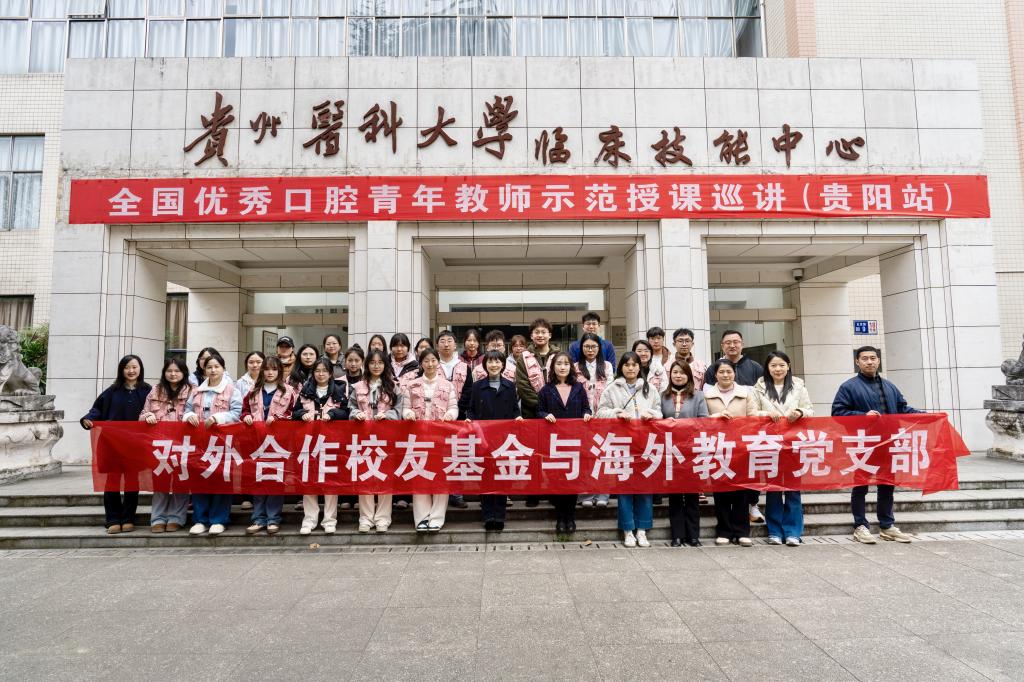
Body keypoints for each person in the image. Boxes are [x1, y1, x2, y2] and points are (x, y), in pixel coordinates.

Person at [832, 346, 919, 544]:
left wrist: (926, 415)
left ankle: (887, 526)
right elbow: (837, 413)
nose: (869, 362)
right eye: (865, 359)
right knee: (860, 486)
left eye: (873, 358)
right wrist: (863, 416)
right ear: (857, 362)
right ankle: (860, 526)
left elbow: (903, 409)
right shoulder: (848, 387)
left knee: (887, 486)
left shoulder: (890, 386)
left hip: (889, 443)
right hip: (864, 445)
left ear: (879, 361)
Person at [596, 352, 662, 548]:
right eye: (627, 365)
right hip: (621, 444)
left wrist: (651, 414)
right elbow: (600, 413)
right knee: (624, 489)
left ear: (639, 367)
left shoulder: (650, 388)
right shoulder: (611, 388)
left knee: (645, 488)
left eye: (634, 365)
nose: (631, 368)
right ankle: (627, 530)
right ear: (621, 367)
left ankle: (642, 530)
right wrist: (617, 413)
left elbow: (660, 412)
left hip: (645, 444)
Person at [81, 354, 151, 535]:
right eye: (127, 367)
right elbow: (96, 410)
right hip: (111, 443)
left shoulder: (148, 391)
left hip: (135, 445)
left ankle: (128, 518)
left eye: (134, 367)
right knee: (112, 481)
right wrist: (88, 419)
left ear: (140, 369)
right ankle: (112, 518)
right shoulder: (111, 391)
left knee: (132, 482)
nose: (131, 371)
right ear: (121, 370)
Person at [753, 351, 813, 546]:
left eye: (781, 365)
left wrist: (800, 412)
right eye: (773, 365)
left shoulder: (799, 386)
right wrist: (766, 414)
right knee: (773, 490)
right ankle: (775, 531)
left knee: (793, 489)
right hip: (769, 443)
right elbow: (751, 412)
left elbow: (810, 410)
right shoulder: (759, 387)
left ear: (788, 366)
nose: (777, 369)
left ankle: (793, 532)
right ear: (767, 368)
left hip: (793, 443)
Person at [706, 330, 765, 524]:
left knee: (749, 471)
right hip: (719, 438)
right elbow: (706, 399)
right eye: (728, 342)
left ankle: (753, 505)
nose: (732, 345)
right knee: (723, 475)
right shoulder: (712, 369)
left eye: (736, 342)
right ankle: (726, 518)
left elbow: (760, 398)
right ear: (722, 345)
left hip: (745, 435)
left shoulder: (755, 367)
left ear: (742, 343)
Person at [184, 352, 242, 536]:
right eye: (209, 367)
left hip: (223, 442)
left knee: (221, 479)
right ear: (204, 369)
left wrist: (218, 417)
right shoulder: (196, 391)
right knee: (200, 478)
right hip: (200, 442)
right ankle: (200, 519)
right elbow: (186, 409)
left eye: (217, 366)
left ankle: (219, 519)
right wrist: (189, 416)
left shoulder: (232, 390)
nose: (213, 370)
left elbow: (237, 413)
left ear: (223, 369)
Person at [466, 349, 523, 531]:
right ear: (485, 365)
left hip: (504, 439)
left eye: (497, 361)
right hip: (483, 438)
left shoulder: (509, 386)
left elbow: (515, 410)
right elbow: (471, 410)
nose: (494, 365)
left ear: (503, 365)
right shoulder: (477, 386)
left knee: (502, 476)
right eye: (490, 361)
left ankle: (500, 516)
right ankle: (488, 515)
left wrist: (518, 417)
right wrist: (470, 420)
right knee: (485, 476)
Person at [402, 348, 458, 532]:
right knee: (419, 476)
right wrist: (408, 413)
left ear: (438, 362)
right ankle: (422, 518)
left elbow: (453, 407)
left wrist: (450, 415)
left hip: (440, 437)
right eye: (426, 361)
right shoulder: (412, 385)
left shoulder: (447, 385)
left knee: (440, 477)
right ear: (421, 363)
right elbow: (405, 407)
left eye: (433, 360)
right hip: (418, 437)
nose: (430, 364)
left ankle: (436, 518)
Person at [537, 352, 592, 534]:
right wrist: (545, 415)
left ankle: (571, 517)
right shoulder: (546, 389)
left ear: (571, 367)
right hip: (554, 442)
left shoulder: (578, 388)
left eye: (566, 364)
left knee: (572, 480)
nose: (562, 367)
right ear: (553, 367)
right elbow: (539, 411)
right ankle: (560, 518)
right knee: (558, 480)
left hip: (574, 442)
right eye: (559, 364)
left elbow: (586, 408)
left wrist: (586, 414)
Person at [349, 349, 404, 533]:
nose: (376, 366)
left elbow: (399, 410)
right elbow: (350, 407)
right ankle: (365, 518)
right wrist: (356, 414)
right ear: (367, 365)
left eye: (380, 363)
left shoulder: (394, 386)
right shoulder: (358, 386)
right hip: (363, 438)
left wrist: (387, 415)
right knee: (365, 477)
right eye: (372, 362)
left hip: (386, 439)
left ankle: (382, 518)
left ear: (385, 365)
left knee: (384, 478)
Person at [703, 361, 757, 547]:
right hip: (717, 447)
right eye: (721, 372)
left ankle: (742, 532)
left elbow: (753, 418)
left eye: (729, 371)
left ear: (734, 373)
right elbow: (701, 420)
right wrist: (715, 418)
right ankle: (724, 531)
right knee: (721, 493)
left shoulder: (745, 393)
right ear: (715, 375)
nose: (725, 375)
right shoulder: (707, 395)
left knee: (742, 492)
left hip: (741, 448)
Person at [293, 358, 349, 534]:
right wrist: (302, 414)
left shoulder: (339, 390)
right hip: (309, 442)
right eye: (317, 371)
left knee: (330, 481)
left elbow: (346, 412)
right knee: (309, 480)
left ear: (330, 373)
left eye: (324, 370)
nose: (321, 374)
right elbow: (294, 412)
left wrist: (333, 413)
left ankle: (329, 520)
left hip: (331, 442)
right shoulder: (305, 391)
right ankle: (309, 519)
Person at [241, 356, 296, 535]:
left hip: (278, 443)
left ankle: (273, 519)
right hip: (257, 442)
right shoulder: (253, 391)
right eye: (267, 369)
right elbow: (244, 411)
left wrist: (279, 418)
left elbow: (293, 414)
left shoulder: (289, 391)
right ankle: (258, 519)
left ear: (280, 371)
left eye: (274, 369)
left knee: (275, 481)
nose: (270, 372)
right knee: (258, 481)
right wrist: (246, 417)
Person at [139, 357, 192, 534]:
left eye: (177, 371)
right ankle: (158, 518)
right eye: (169, 371)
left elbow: (197, 413)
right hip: (159, 444)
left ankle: (177, 518)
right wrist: (147, 416)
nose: (173, 374)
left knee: (180, 481)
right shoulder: (155, 390)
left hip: (183, 444)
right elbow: (143, 413)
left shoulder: (192, 391)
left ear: (183, 373)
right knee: (160, 482)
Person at [661, 361, 709, 547]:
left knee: (692, 496)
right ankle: (677, 535)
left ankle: (693, 535)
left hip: (692, 451)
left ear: (689, 375)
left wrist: (685, 426)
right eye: (675, 372)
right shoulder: (663, 396)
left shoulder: (698, 396)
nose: (678, 376)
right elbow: (657, 420)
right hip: (670, 451)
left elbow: (704, 421)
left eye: (682, 372)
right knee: (674, 496)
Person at [575, 331, 615, 508]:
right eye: (586, 346)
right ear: (581, 348)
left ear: (599, 348)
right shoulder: (575, 367)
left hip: (602, 417)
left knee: (602, 455)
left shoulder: (607, 366)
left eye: (593, 346)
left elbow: (610, 390)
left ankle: (603, 493)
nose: (590, 350)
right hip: (582, 418)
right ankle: (585, 494)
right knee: (584, 456)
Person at [435, 330, 469, 509]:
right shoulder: (431, 364)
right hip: (436, 420)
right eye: (442, 341)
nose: (446, 344)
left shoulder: (464, 366)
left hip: (459, 419)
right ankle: (439, 492)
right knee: (438, 456)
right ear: (437, 345)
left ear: (456, 345)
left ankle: (456, 494)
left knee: (458, 455)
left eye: (449, 341)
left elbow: (469, 392)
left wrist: (457, 412)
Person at [335, 345, 365, 511]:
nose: (353, 364)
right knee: (344, 462)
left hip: (362, 427)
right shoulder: (338, 381)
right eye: (350, 360)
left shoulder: (367, 380)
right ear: (345, 362)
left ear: (362, 362)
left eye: (356, 360)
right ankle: (345, 496)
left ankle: (359, 495)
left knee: (361, 462)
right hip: (342, 428)